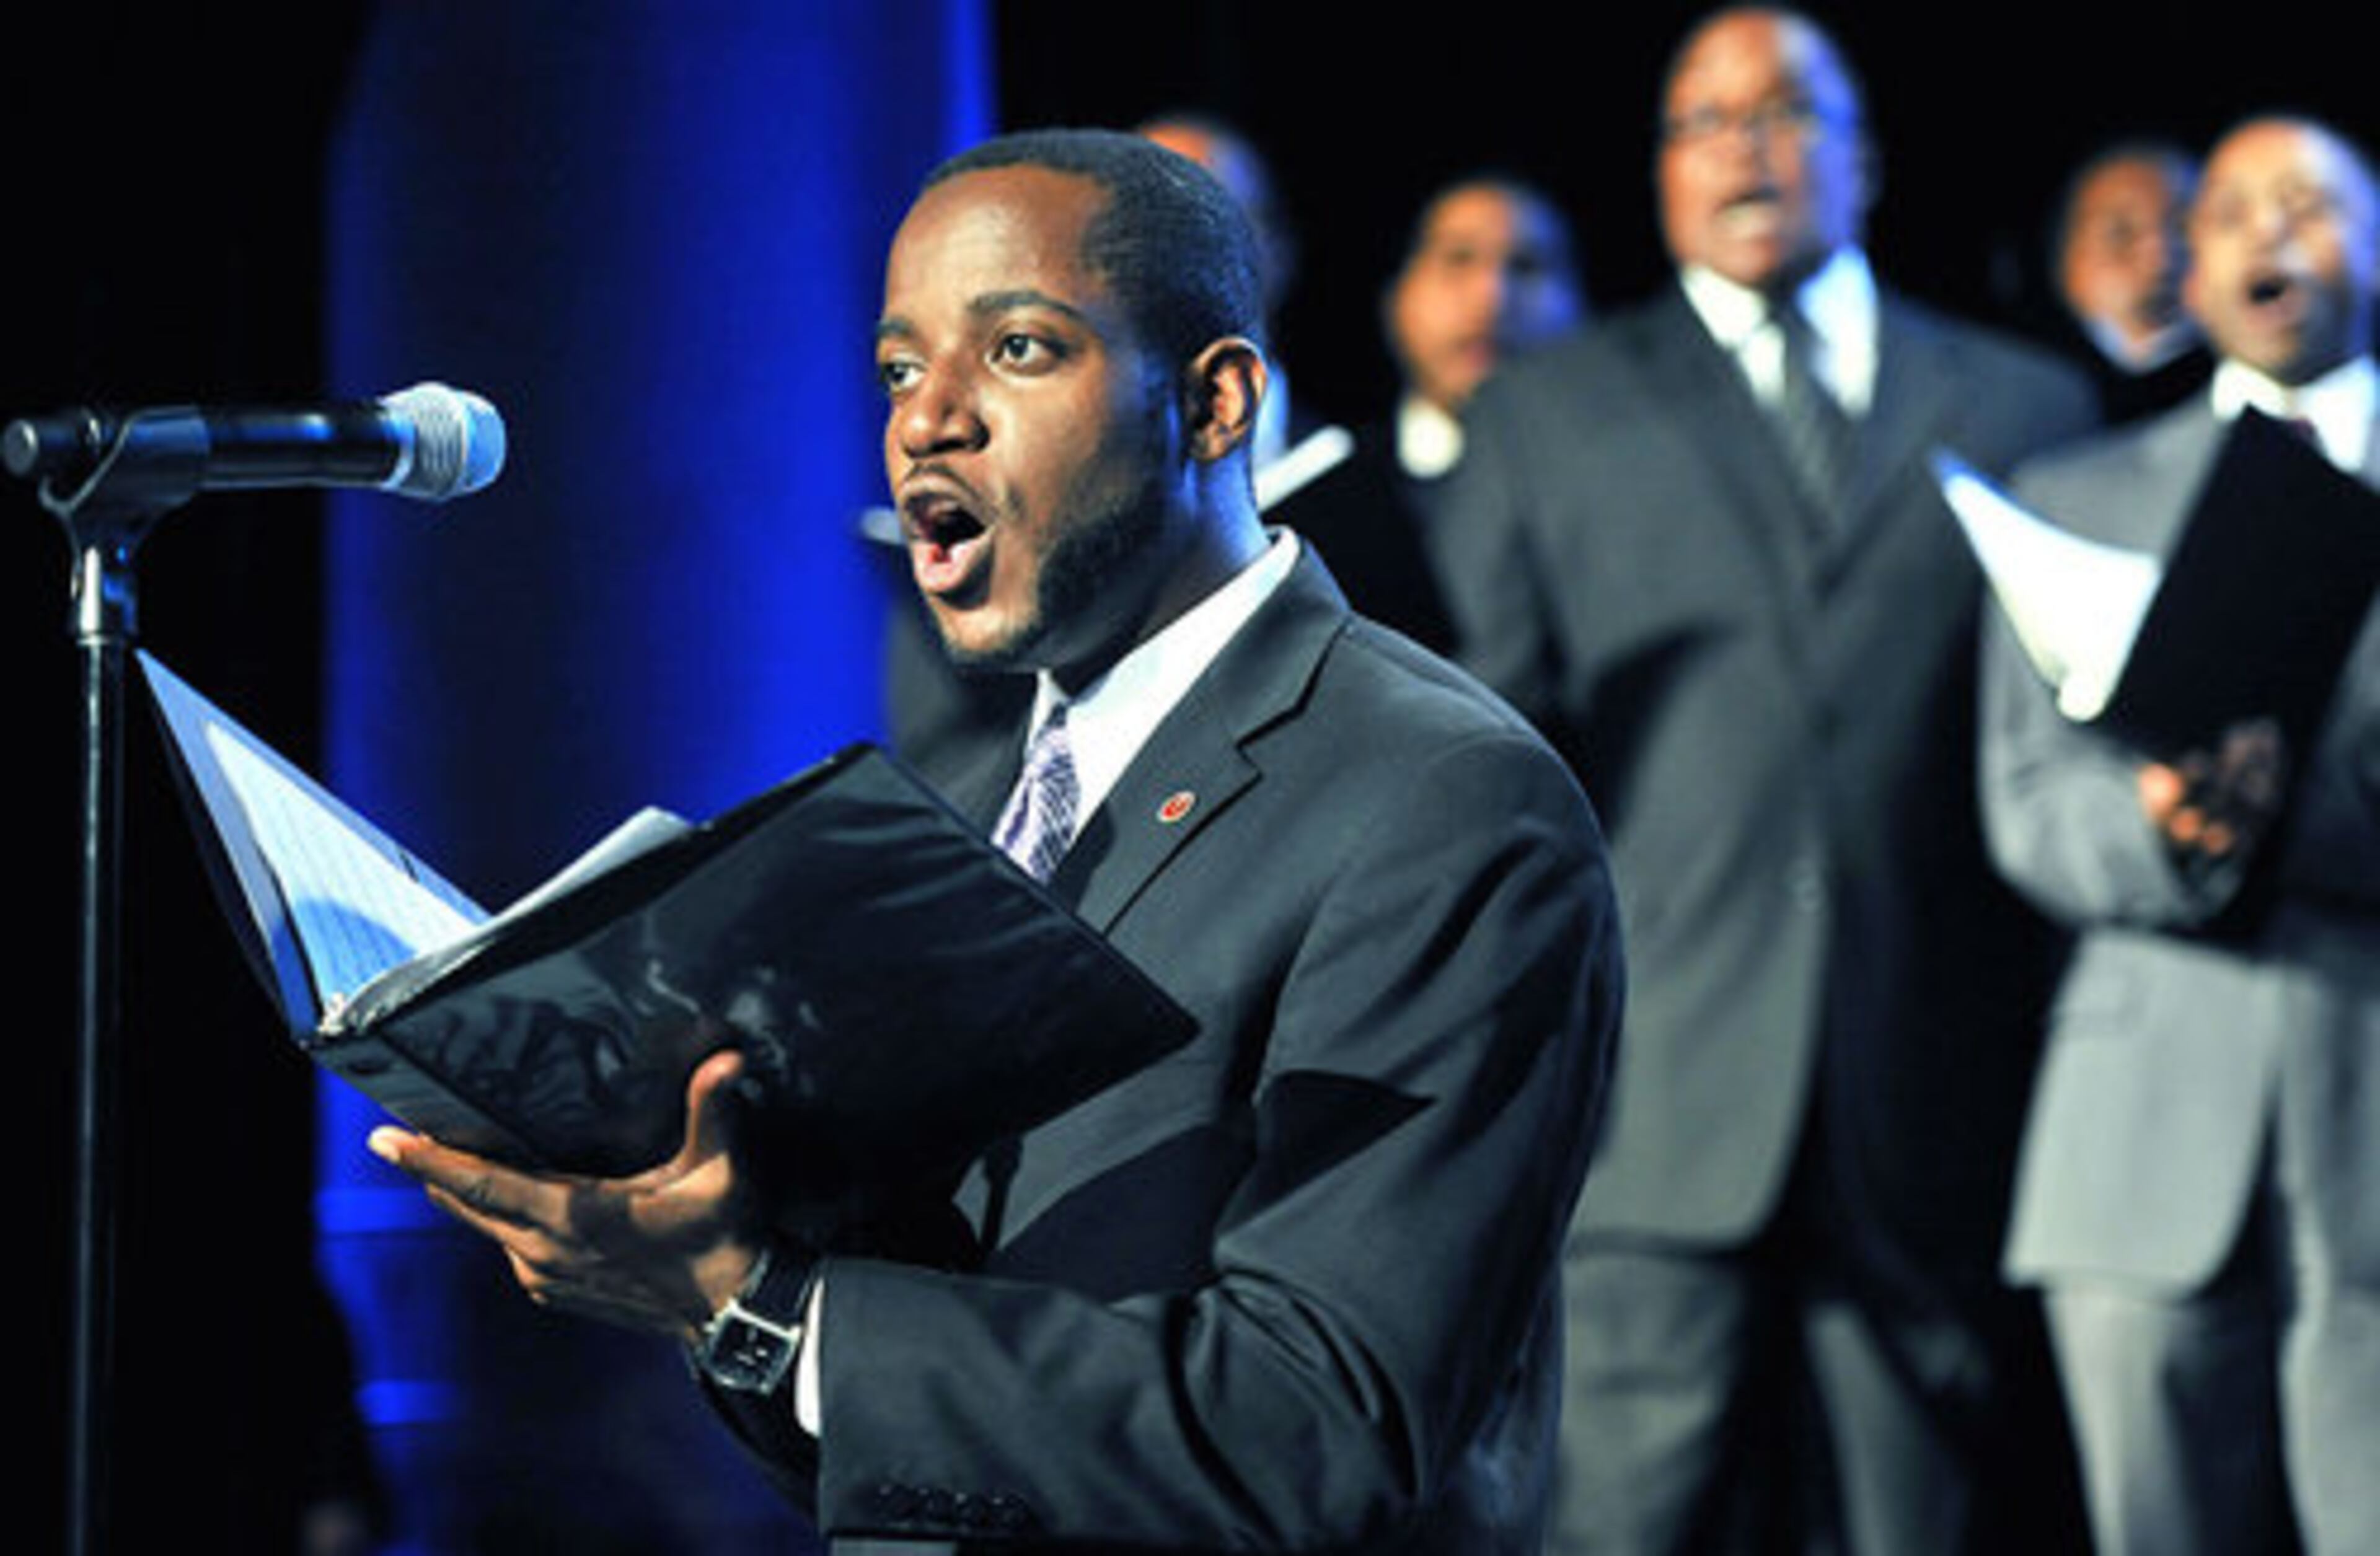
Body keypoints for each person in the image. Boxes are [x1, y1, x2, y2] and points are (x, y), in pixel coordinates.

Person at [368, 126, 1623, 1554]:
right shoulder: (954, 804)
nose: (925, 418)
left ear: (1213, 405)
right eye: (900, 368)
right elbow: (894, 1406)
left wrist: (775, 1303)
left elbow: (1320, 1423)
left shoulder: (1443, 799)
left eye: (1016, 349)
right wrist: (717, 1252)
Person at [1428, 7, 2100, 1552]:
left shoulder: (2023, 408)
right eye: (1698, 120)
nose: (1742, 147)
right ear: (1658, 170)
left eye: (1785, 110)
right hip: (1651, 1102)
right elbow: (1492, 765)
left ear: (1864, 155)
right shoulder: (1545, 414)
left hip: (1930, 1098)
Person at [1980, 113, 2380, 1556]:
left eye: (2311, 203)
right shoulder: (2072, 496)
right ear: (2186, 263)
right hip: (2137, 1139)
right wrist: (2160, 823)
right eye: (2230, 211)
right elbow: (2022, 804)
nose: (2269, 232)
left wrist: (2288, 809)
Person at [1271, 173, 1589, 651]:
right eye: (1458, 259)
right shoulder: (1317, 502)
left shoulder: (1622, 494)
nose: (1493, 295)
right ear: (1396, 296)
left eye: (1526, 266)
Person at [2048, 138, 2214, 421]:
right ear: (2070, 261)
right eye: (2120, 234)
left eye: (2184, 228)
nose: (2161, 261)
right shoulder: (2038, 397)